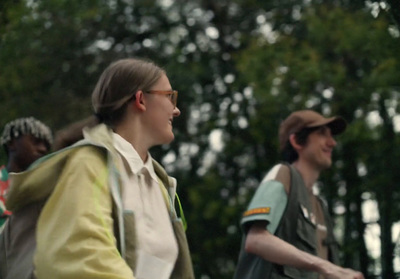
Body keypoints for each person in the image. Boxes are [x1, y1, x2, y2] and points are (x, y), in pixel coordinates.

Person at [0, 58, 194, 279]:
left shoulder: (160, 185)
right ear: (141, 100)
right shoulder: (89, 164)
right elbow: (82, 256)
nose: (176, 109)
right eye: (169, 96)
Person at [233, 110, 364, 279]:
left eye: (332, 136)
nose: (332, 143)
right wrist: (325, 266)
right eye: (322, 134)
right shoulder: (283, 175)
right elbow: (256, 240)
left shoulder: (320, 207)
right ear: (297, 141)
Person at [0, 117, 53, 231]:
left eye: (47, 146)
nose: (43, 149)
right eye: (36, 142)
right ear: (11, 144)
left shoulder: (48, 189)